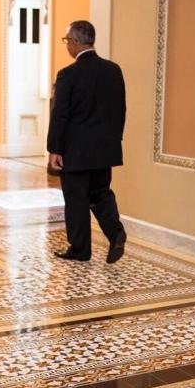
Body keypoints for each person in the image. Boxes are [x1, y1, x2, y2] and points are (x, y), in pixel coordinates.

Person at [47, 20, 127, 264]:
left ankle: (80, 249)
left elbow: (60, 114)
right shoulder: (113, 70)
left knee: (76, 199)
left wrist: (54, 149)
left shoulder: (68, 74)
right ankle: (116, 232)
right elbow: (121, 110)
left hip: (75, 151)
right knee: (101, 193)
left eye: (66, 41)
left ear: (75, 42)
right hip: (105, 150)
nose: (66, 46)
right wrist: (114, 141)